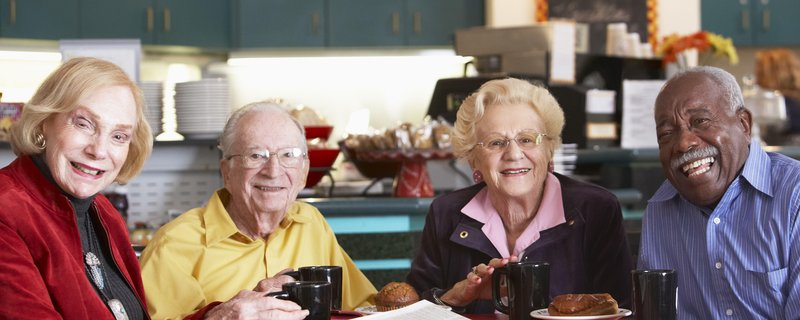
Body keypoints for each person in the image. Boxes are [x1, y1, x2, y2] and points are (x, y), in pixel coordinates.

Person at [407, 78, 633, 314]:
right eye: (496, 142)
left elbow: (621, 309)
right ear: (473, 159)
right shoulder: (446, 214)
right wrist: (455, 297)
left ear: (549, 148)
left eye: (527, 139)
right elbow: (410, 311)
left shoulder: (596, 210)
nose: (514, 154)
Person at [139, 102, 376, 319]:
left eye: (288, 155)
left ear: (304, 172)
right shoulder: (174, 244)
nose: (273, 171)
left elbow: (364, 308)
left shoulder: (311, 223)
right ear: (227, 172)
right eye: (256, 156)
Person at [639, 66, 800, 318]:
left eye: (700, 121)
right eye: (666, 134)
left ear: (744, 124)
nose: (683, 143)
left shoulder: (794, 197)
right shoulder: (660, 210)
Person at [0, 57, 152, 319]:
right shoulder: (6, 211)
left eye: (118, 136)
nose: (99, 151)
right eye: (83, 124)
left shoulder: (103, 212)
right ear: (44, 121)